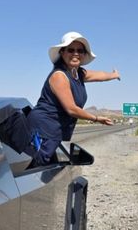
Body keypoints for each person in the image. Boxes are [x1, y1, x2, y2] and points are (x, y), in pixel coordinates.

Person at [27, 31, 120, 165]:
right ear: (62, 52)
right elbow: (71, 109)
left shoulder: (78, 74)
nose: (76, 53)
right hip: (43, 129)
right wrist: (96, 118)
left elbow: (99, 75)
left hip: (54, 131)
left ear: (84, 54)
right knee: (35, 166)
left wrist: (113, 75)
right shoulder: (59, 76)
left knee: (44, 166)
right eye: (71, 50)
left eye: (80, 50)